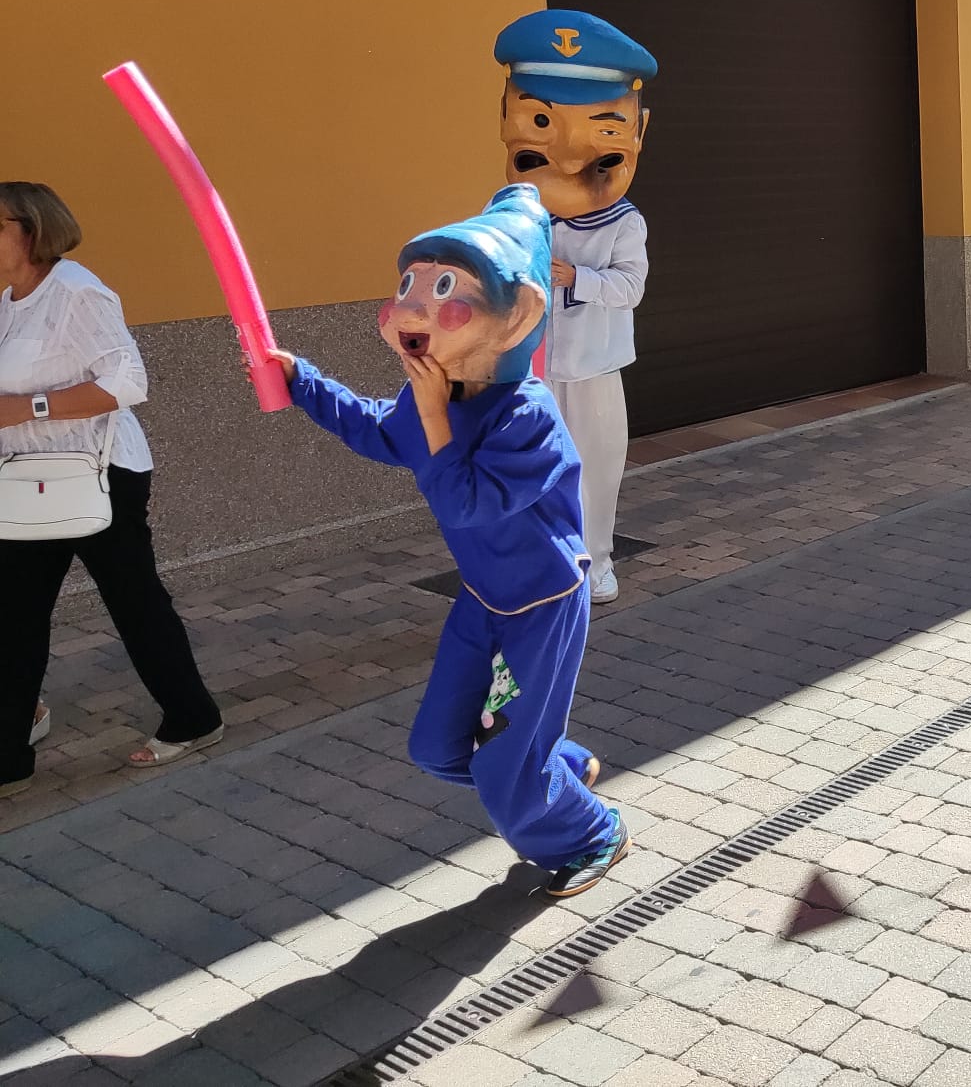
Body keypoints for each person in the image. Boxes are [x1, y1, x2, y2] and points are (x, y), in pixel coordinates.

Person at [269, 186, 629, 896]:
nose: (410, 308)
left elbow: (465, 501)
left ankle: (592, 833)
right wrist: (300, 381)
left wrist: (432, 411)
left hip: (542, 605)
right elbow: (379, 429)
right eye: (409, 287)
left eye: (443, 290)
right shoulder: (439, 397)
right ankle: (551, 770)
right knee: (437, 748)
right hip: (483, 599)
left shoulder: (527, 415)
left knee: (502, 772)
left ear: (517, 315)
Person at [0, 182, 224, 796]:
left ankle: (194, 717)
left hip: (99, 476)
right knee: (13, 616)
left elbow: (128, 380)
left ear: (31, 229)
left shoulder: (75, 290)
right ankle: (10, 749)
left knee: (134, 603)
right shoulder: (8, 302)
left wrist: (26, 408)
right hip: (28, 480)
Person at [499, 10, 657, 607]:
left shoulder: (624, 222)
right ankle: (543, 562)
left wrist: (577, 277)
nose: (567, 154)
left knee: (594, 468)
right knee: (530, 469)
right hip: (530, 368)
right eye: (540, 121)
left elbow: (631, 287)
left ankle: (597, 563)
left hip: (593, 367)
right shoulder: (516, 213)